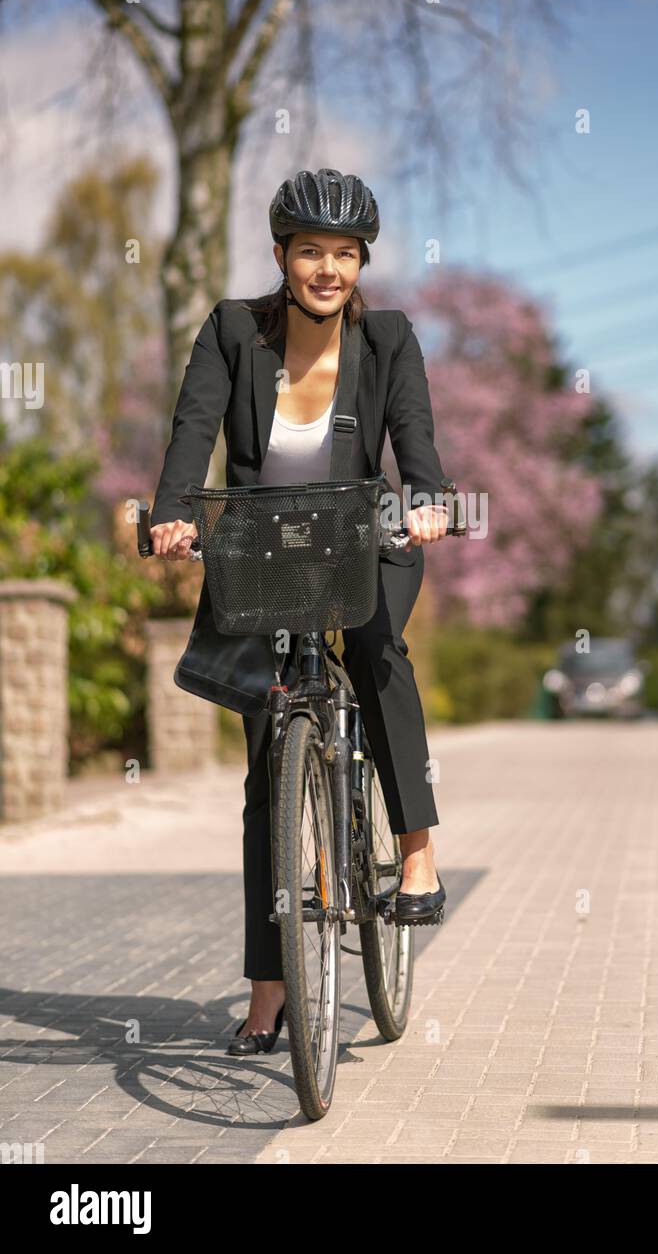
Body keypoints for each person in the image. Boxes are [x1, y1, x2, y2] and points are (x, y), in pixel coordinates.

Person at [148, 168, 451, 1054]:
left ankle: (417, 847)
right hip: (265, 548)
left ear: (362, 262)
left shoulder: (389, 338)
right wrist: (172, 511)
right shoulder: (232, 330)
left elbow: (416, 441)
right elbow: (193, 427)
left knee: (374, 645)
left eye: (345, 254)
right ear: (281, 255)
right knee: (263, 773)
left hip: (368, 539)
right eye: (311, 251)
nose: (328, 269)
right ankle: (269, 989)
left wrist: (429, 499)